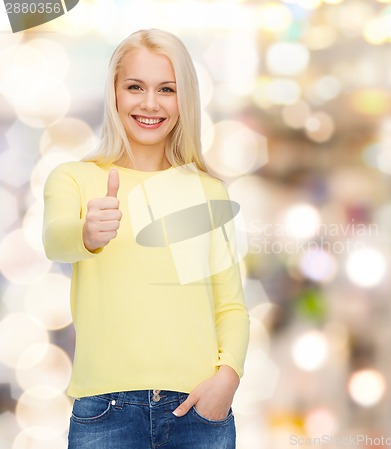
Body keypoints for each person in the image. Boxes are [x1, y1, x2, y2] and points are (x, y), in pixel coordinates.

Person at [42, 29, 250, 449]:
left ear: (184, 99)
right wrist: (86, 232)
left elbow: (229, 305)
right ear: (114, 93)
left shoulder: (207, 192)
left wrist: (227, 379)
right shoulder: (77, 179)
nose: (150, 103)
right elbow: (55, 241)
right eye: (135, 87)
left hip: (198, 412)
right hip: (105, 413)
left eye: (166, 89)